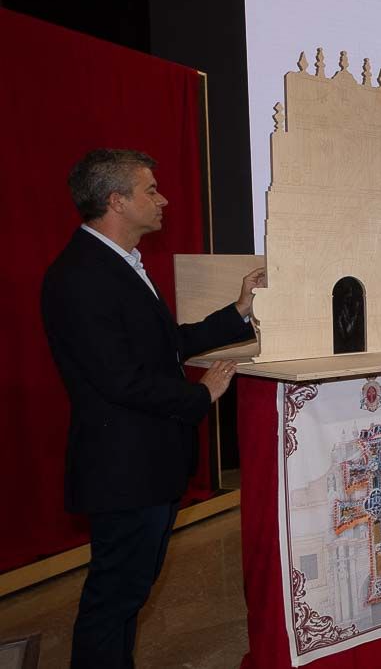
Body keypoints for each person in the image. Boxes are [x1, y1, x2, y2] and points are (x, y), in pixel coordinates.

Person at [41, 149, 264, 667]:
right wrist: (199, 394)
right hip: (123, 470)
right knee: (113, 600)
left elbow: (166, 344)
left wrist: (238, 310)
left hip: (145, 466)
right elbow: (120, 379)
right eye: (150, 190)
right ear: (116, 201)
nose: (162, 199)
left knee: (126, 597)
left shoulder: (117, 263)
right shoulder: (81, 275)